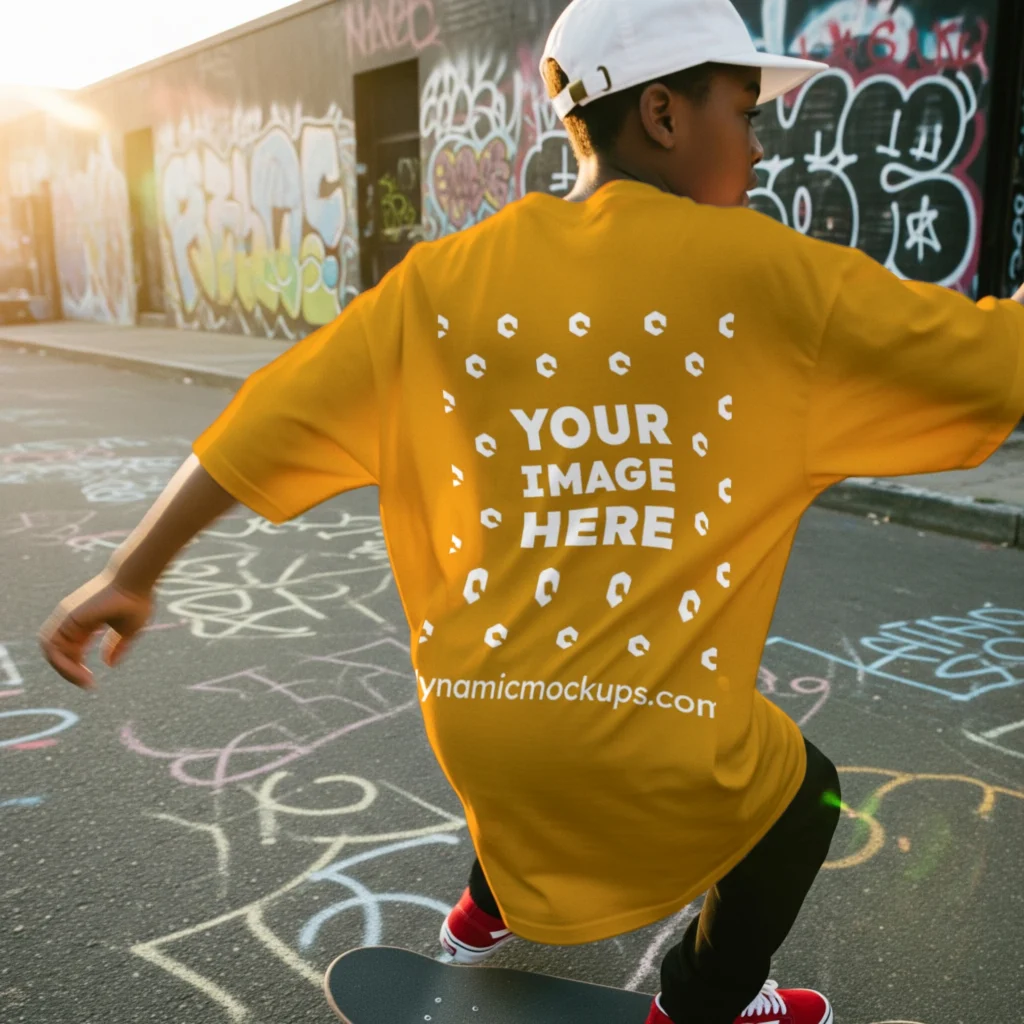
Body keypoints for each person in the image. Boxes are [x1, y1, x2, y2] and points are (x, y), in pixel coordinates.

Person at [39, 0, 1024, 1021]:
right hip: (654, 737)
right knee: (804, 796)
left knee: (538, 697)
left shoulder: (439, 282)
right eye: (744, 108)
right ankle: (700, 1003)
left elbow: (257, 426)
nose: (762, 143)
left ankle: (478, 910)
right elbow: (993, 357)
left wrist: (133, 572)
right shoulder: (775, 278)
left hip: (474, 724)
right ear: (662, 113)